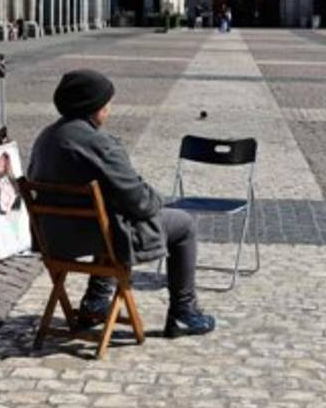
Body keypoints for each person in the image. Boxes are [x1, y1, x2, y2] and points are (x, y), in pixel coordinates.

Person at [28, 69, 215, 338]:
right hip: (95, 234)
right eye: (107, 102)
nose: (110, 108)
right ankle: (184, 311)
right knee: (183, 224)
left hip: (54, 237)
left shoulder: (46, 137)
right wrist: (158, 201)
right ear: (94, 107)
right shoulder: (97, 143)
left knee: (105, 215)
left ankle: (95, 301)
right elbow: (139, 200)